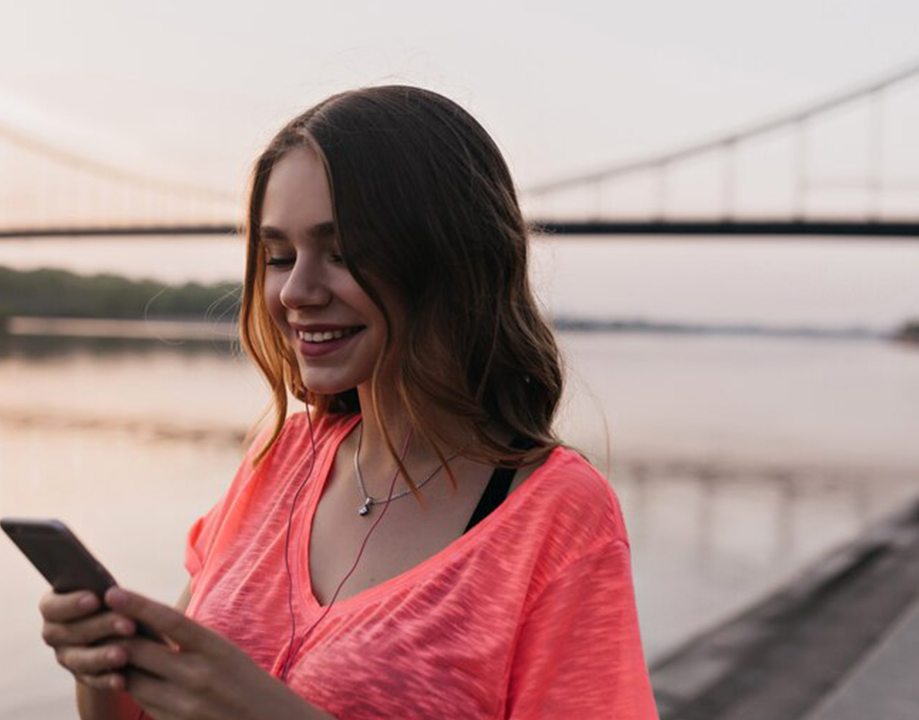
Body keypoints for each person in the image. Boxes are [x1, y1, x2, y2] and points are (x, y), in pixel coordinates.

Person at [38, 85, 660, 720]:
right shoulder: (278, 458)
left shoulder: (556, 515)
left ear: (450, 257)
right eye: (279, 255)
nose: (295, 291)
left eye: (341, 254)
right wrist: (105, 670)